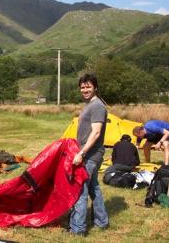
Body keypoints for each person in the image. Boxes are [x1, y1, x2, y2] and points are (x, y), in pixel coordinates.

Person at [70, 73, 109, 236]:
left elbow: (96, 132)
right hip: (90, 153)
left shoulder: (97, 106)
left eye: (88, 86)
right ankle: (102, 222)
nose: (85, 89)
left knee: (80, 189)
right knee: (94, 188)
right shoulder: (90, 105)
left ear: (95, 87)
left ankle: (77, 229)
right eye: (83, 87)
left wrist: (82, 153)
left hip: (90, 155)